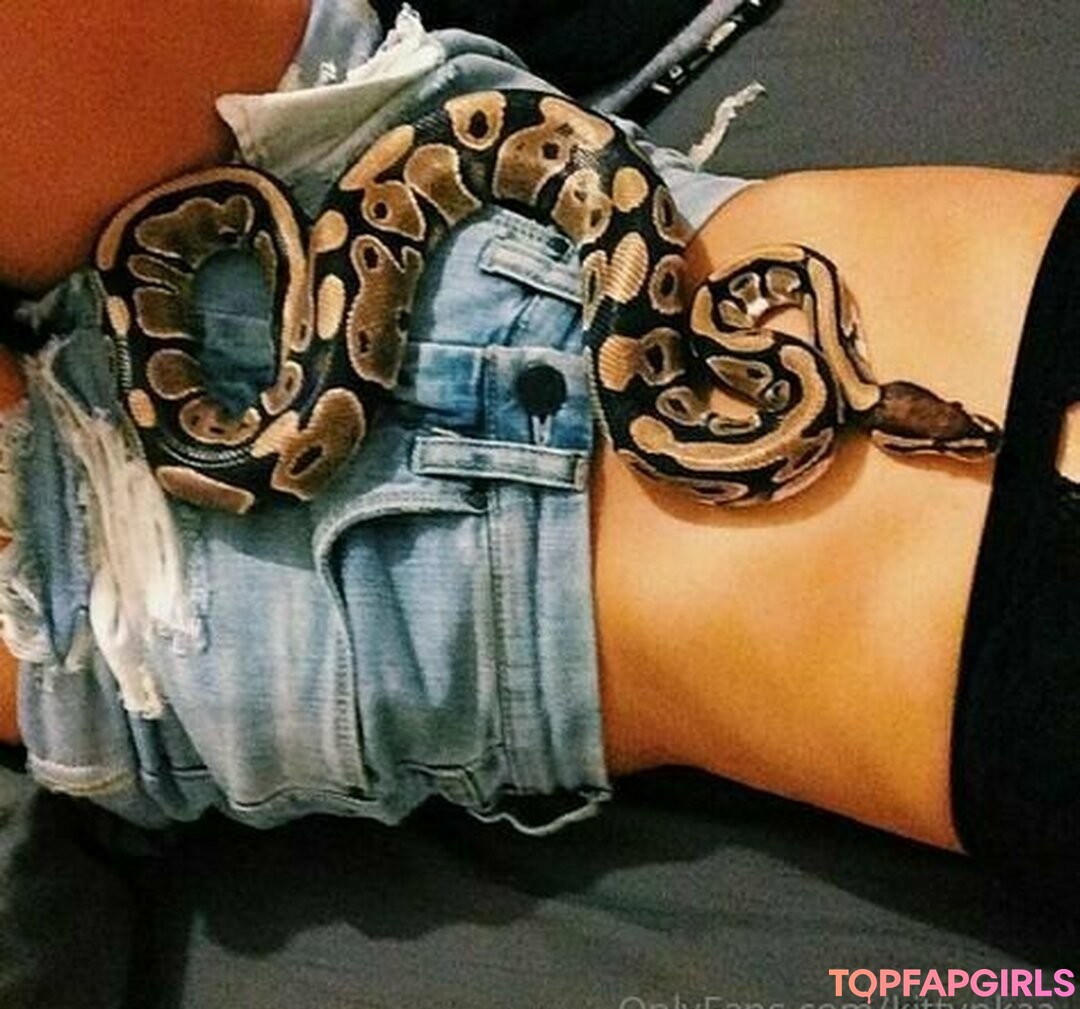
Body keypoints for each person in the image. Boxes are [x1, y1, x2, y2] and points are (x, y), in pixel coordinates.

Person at [0, 0, 1076, 881]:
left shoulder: (794, 352)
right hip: (424, 162)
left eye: (951, 438)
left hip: (279, 582)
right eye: (954, 433)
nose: (960, 442)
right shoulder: (796, 345)